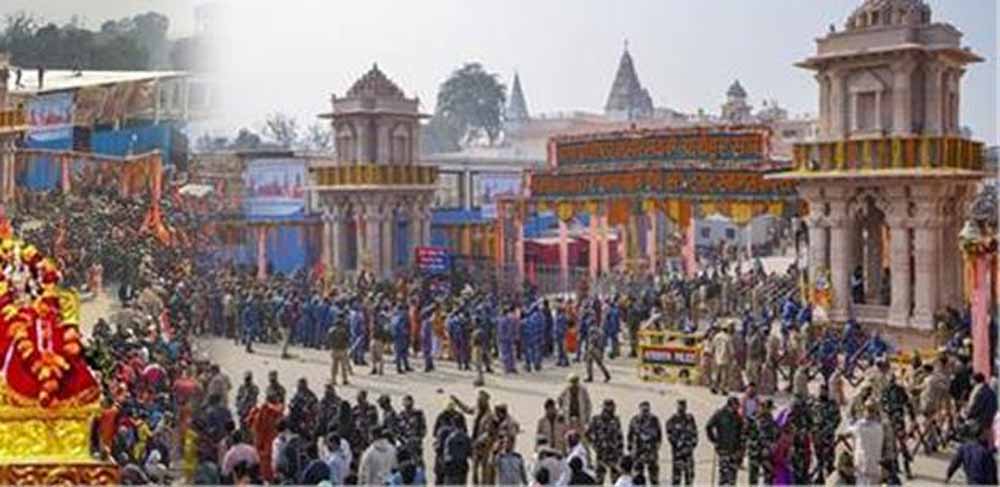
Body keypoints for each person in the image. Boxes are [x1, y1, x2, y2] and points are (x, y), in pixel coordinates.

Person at [843, 401, 884, 487]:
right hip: (874, 463)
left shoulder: (860, 426)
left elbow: (846, 432)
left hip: (861, 463)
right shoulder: (879, 427)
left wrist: (849, 416)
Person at [705, 397, 743, 486]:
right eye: (736, 406)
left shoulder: (737, 417)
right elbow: (709, 426)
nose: (737, 408)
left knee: (733, 476)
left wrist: (740, 449)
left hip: (734, 450)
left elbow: (741, 433)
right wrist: (714, 440)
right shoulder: (719, 414)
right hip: (723, 449)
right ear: (731, 405)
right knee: (724, 475)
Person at [586, 399, 624, 485]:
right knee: (599, 480)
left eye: (613, 407)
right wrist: (594, 445)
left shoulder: (616, 420)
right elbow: (587, 434)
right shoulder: (596, 420)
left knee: (616, 481)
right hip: (601, 453)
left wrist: (620, 451)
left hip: (614, 454)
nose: (612, 409)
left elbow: (620, 436)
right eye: (610, 407)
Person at [626, 400, 661, 486]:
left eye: (647, 410)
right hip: (638, 452)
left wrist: (656, 447)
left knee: (654, 477)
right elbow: (630, 435)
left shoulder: (654, 420)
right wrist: (631, 449)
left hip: (651, 452)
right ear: (640, 409)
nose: (645, 412)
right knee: (638, 477)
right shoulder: (634, 420)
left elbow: (659, 435)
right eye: (643, 410)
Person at [745, 398, 777, 486]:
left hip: (762, 452)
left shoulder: (769, 420)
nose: (770, 411)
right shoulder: (756, 420)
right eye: (769, 409)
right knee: (755, 477)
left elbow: (775, 435)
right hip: (759, 451)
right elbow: (746, 434)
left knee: (767, 476)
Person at [398, 394, 428, 467]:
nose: (407, 406)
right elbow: (398, 430)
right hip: (405, 443)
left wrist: (418, 438)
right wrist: (402, 439)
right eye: (405, 403)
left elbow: (423, 428)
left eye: (409, 403)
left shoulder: (418, 414)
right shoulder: (401, 415)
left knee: (418, 463)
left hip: (416, 443)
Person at [328, 318, 351, 385]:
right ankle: (344, 380)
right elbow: (347, 339)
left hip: (334, 349)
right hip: (342, 350)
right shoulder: (343, 331)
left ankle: (333, 380)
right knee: (343, 366)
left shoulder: (331, 330)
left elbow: (328, 339)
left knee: (334, 366)